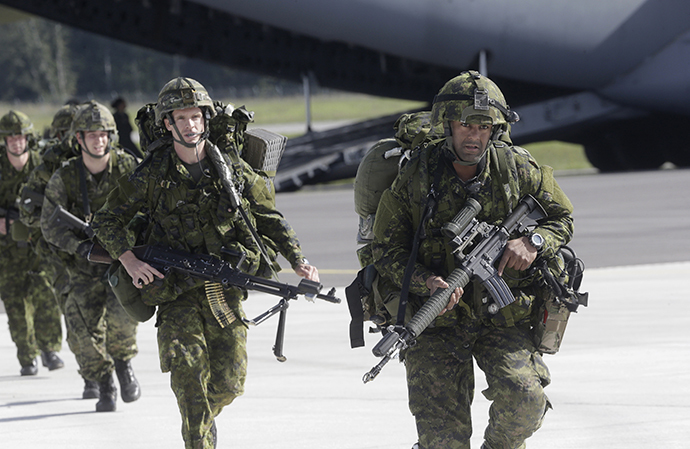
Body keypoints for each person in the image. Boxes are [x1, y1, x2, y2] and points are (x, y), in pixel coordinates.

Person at [91, 77, 319, 449]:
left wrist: (298, 259)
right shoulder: (153, 174)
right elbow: (105, 220)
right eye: (181, 118)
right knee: (189, 383)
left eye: (195, 116)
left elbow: (266, 215)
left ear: (205, 118)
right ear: (168, 123)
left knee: (230, 384)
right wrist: (129, 260)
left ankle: (200, 427)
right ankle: (197, 437)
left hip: (222, 292)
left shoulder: (228, 168)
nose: (190, 125)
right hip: (176, 294)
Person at [371, 71, 575, 449]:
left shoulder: (515, 168)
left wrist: (532, 241)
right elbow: (385, 250)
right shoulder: (416, 176)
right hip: (436, 323)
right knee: (443, 441)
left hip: (503, 317)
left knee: (525, 402)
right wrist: (425, 282)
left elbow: (562, 218)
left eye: (484, 126)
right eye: (466, 124)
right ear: (448, 124)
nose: (474, 135)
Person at [40, 101, 141, 412]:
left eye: (103, 134)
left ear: (110, 136)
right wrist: (81, 248)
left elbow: (150, 211)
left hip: (122, 265)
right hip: (83, 269)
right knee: (81, 333)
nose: (98, 140)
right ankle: (104, 382)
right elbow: (49, 225)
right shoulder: (66, 177)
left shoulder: (128, 168)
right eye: (91, 135)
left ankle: (123, 365)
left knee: (122, 323)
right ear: (79, 139)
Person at [19, 104, 103, 398]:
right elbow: (27, 210)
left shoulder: (104, 161)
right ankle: (92, 376)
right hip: (61, 257)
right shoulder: (52, 164)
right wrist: (52, 214)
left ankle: (109, 370)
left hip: (100, 252)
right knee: (76, 318)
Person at [0, 110, 64, 376]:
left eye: (20, 137)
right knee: (15, 304)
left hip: (39, 245)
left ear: (28, 138)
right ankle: (28, 357)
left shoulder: (41, 164)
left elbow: (60, 199)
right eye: (10, 138)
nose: (16, 142)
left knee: (45, 296)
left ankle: (50, 349)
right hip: (6, 250)